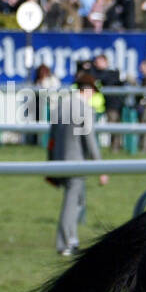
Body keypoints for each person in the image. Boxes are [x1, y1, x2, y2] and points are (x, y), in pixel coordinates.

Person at [49, 73, 108, 256]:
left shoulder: (60, 106)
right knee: (72, 203)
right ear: (88, 90)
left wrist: (50, 162)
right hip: (76, 162)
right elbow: (90, 140)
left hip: (59, 160)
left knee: (78, 200)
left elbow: (51, 138)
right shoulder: (85, 109)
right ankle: (66, 243)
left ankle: (71, 239)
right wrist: (101, 168)